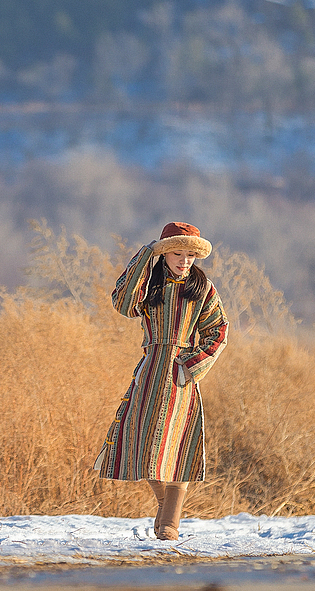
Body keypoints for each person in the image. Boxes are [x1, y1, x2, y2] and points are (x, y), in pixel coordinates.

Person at [93, 222, 229, 540]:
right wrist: (147, 254)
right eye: (176, 253)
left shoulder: (203, 290)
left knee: (177, 446)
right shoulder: (150, 286)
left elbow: (220, 330)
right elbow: (122, 302)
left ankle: (170, 522)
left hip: (181, 374)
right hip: (150, 370)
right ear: (164, 253)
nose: (184, 261)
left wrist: (191, 366)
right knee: (143, 446)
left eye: (190, 255)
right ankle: (166, 507)